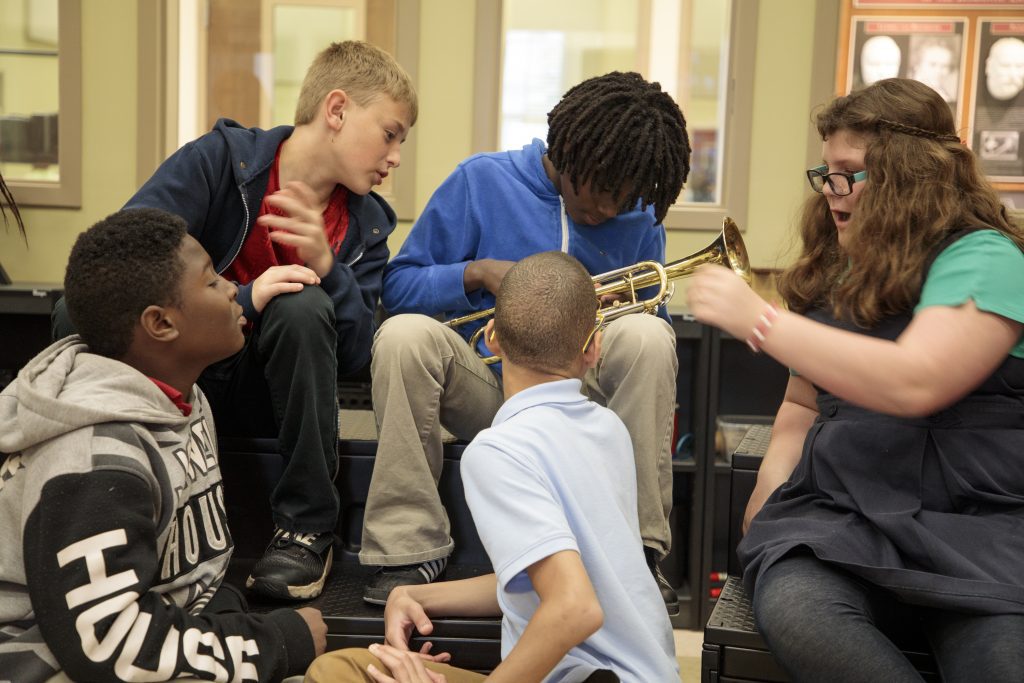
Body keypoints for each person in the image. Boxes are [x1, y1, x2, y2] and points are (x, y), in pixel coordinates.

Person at [52, 40, 417, 601]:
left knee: (301, 304)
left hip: (273, 395)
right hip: (178, 378)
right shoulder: (219, 161)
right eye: (390, 134)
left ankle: (307, 529)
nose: (395, 157)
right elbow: (120, 270)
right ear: (337, 110)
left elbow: (355, 356)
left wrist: (325, 266)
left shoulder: (369, 227)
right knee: (71, 313)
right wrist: (244, 299)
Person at [687, 77, 1024, 681]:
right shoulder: (835, 268)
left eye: (849, 173)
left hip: (978, 531)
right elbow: (803, 403)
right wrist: (765, 500)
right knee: (797, 609)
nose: (831, 193)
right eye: (825, 175)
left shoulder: (988, 258)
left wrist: (758, 320)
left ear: (910, 175)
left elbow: (914, 381)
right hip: (841, 520)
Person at [359, 71, 690, 614]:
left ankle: (636, 550)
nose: (610, 210)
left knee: (650, 336)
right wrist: (475, 273)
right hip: (492, 392)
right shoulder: (479, 181)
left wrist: (604, 325)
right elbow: (397, 288)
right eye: (602, 190)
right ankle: (407, 548)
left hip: (584, 404)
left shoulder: (635, 214)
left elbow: (656, 317)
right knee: (403, 336)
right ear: (568, 151)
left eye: (624, 197)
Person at [306, 251, 679, 682]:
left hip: (592, 676)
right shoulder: (610, 429)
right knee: (349, 666)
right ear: (594, 348)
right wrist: (415, 594)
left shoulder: (498, 451)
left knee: (335, 673)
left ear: (492, 338)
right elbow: (551, 579)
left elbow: (573, 608)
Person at [0, 208, 328, 682]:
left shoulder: (182, 398)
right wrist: (273, 644)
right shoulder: (92, 461)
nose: (234, 288)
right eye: (212, 281)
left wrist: (226, 615)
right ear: (161, 324)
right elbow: (107, 648)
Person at [908, 37, 958, 103]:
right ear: (917, 63)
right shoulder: (906, 94)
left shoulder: (945, 97)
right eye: (933, 64)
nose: (939, 71)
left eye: (945, 66)